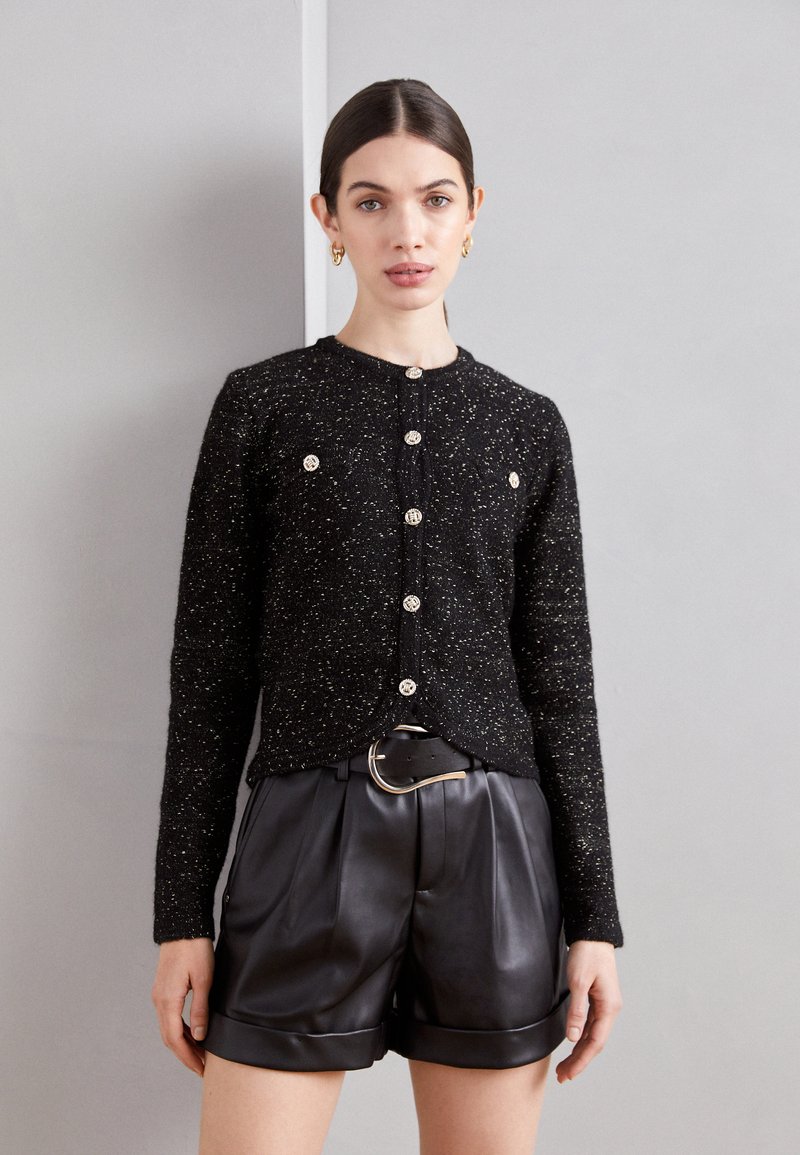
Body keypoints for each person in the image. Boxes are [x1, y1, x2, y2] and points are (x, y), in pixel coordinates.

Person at [151, 77, 624, 1155]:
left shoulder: (526, 427)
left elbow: (561, 684)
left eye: (434, 199)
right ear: (328, 218)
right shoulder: (263, 406)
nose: (406, 232)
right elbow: (208, 676)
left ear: (472, 213)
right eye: (370, 201)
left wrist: (595, 917)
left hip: (497, 852)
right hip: (303, 836)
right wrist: (182, 913)